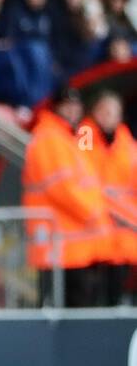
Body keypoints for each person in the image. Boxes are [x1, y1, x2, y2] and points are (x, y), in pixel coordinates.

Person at [23, 86, 114, 306]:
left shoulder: (68, 137)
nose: (73, 110)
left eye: (76, 105)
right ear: (57, 107)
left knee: (81, 309)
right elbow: (62, 187)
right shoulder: (49, 137)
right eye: (67, 105)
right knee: (66, 313)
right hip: (60, 245)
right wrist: (93, 213)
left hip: (75, 245)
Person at [78, 90, 137, 303]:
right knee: (93, 290)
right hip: (95, 225)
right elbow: (81, 169)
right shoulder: (85, 134)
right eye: (104, 111)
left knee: (117, 289)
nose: (108, 117)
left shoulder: (125, 140)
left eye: (113, 112)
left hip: (123, 229)